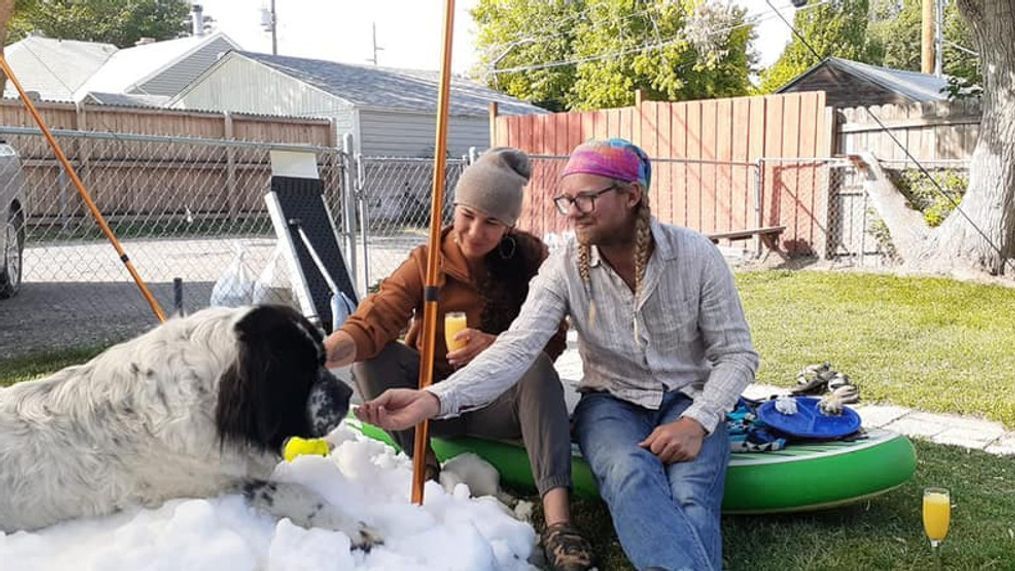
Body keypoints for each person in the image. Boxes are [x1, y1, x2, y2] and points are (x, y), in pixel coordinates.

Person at [356, 139, 759, 571]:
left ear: (631, 195)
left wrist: (697, 421)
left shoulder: (695, 256)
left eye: (585, 197)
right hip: (611, 403)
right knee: (628, 473)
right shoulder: (565, 265)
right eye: (566, 199)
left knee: (692, 492)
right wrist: (434, 398)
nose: (572, 210)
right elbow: (516, 348)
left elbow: (737, 354)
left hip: (689, 398)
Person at [323, 147, 595, 571]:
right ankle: (425, 467)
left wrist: (496, 345)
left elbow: (554, 339)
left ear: (509, 226)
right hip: (429, 401)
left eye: (492, 222)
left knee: (536, 366)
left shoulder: (530, 260)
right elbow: (376, 318)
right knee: (372, 357)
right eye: (468, 214)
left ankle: (560, 524)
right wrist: (322, 353)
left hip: (496, 404)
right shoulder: (426, 260)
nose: (474, 231)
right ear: (454, 208)